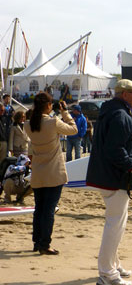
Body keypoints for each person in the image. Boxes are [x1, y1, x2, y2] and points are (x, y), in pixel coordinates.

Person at [86, 79, 132, 285]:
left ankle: (113, 264)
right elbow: (115, 150)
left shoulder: (111, 111)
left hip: (107, 175)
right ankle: (106, 273)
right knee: (115, 225)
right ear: (125, 94)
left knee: (117, 224)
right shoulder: (120, 115)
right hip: (114, 178)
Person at [25, 93, 78, 255]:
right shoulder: (52, 121)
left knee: (39, 209)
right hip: (53, 171)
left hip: (38, 172)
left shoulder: (28, 124)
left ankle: (37, 241)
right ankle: (45, 243)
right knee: (48, 210)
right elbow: (73, 129)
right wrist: (65, 112)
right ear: (48, 105)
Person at [0, 104, 10, 171]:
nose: (2, 112)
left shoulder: (5, 118)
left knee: (2, 161)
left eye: (3, 110)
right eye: (1, 110)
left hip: (4, 142)